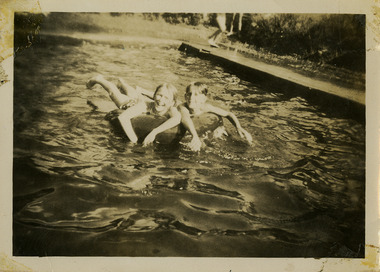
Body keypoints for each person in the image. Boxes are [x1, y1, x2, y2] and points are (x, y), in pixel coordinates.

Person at [86, 75, 181, 146]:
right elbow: (123, 117)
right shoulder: (146, 105)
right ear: (154, 95)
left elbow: (177, 118)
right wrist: (134, 140)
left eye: (166, 98)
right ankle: (99, 79)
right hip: (131, 104)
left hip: (139, 100)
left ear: (172, 102)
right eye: (159, 95)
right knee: (114, 93)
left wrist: (154, 132)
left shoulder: (171, 109)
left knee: (133, 93)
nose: (161, 100)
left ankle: (122, 84)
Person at [179, 82, 253, 151]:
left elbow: (228, 114)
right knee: (203, 147)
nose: (191, 97)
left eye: (196, 95)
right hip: (197, 129)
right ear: (185, 96)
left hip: (210, 128)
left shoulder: (206, 107)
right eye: (189, 94)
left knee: (231, 139)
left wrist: (238, 127)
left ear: (203, 99)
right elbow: (185, 118)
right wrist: (195, 136)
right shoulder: (183, 107)